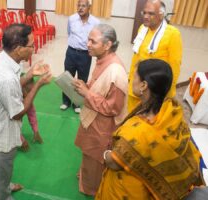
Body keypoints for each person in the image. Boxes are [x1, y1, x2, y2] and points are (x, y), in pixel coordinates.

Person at [96, 59, 204, 200]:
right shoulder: (173, 111)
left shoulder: (137, 133)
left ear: (144, 85)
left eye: (134, 76)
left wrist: (105, 154)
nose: (131, 79)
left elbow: (114, 163)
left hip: (130, 192)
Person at [0, 23, 51, 200]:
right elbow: (17, 112)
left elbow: (11, 87)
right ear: (18, 48)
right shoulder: (6, 77)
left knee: (2, 170)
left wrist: (30, 75)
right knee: (1, 171)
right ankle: (4, 195)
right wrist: (37, 85)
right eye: (31, 45)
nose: (34, 48)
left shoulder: (0, 59)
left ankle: (5, 186)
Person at [73, 24, 128, 196]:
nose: (87, 44)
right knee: (88, 156)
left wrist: (87, 94)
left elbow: (113, 108)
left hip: (103, 126)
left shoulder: (115, 71)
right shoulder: (101, 60)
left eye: (93, 41)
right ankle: (86, 176)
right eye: (88, 39)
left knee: (96, 158)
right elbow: (98, 87)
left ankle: (92, 189)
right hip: (93, 119)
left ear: (107, 45)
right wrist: (85, 87)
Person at [127, 0, 182, 113]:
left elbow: (175, 65)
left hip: (153, 89)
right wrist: (130, 79)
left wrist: (168, 93)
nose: (146, 16)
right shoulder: (142, 28)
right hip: (136, 84)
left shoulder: (173, 34)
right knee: (132, 115)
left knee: (148, 119)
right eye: (144, 13)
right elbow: (136, 56)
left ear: (161, 15)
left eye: (151, 13)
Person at [60, 0, 99, 114]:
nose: (80, 8)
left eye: (83, 6)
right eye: (79, 5)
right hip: (71, 52)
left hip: (85, 55)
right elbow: (69, 33)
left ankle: (77, 103)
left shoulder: (95, 22)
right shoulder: (72, 19)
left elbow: (97, 38)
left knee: (82, 79)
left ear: (89, 8)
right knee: (68, 77)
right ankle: (66, 102)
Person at [20, 78, 44, 151]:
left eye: (31, 91)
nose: (30, 95)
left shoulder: (27, 98)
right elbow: (10, 123)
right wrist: (21, 140)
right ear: (21, 88)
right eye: (28, 91)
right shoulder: (13, 99)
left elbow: (31, 114)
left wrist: (35, 131)